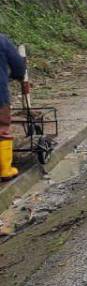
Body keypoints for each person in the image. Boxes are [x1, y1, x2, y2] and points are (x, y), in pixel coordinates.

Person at [1, 33, 29, 180]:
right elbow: (18, 65)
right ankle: (5, 170)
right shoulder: (2, 40)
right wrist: (17, 76)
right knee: (1, 129)